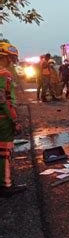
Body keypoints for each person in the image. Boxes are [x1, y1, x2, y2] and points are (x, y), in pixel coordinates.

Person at [0, 42, 26, 197]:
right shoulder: (4, 74)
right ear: (5, 57)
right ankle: (6, 185)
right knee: (4, 152)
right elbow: (5, 100)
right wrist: (15, 120)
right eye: (11, 58)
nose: (12, 62)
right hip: (3, 120)